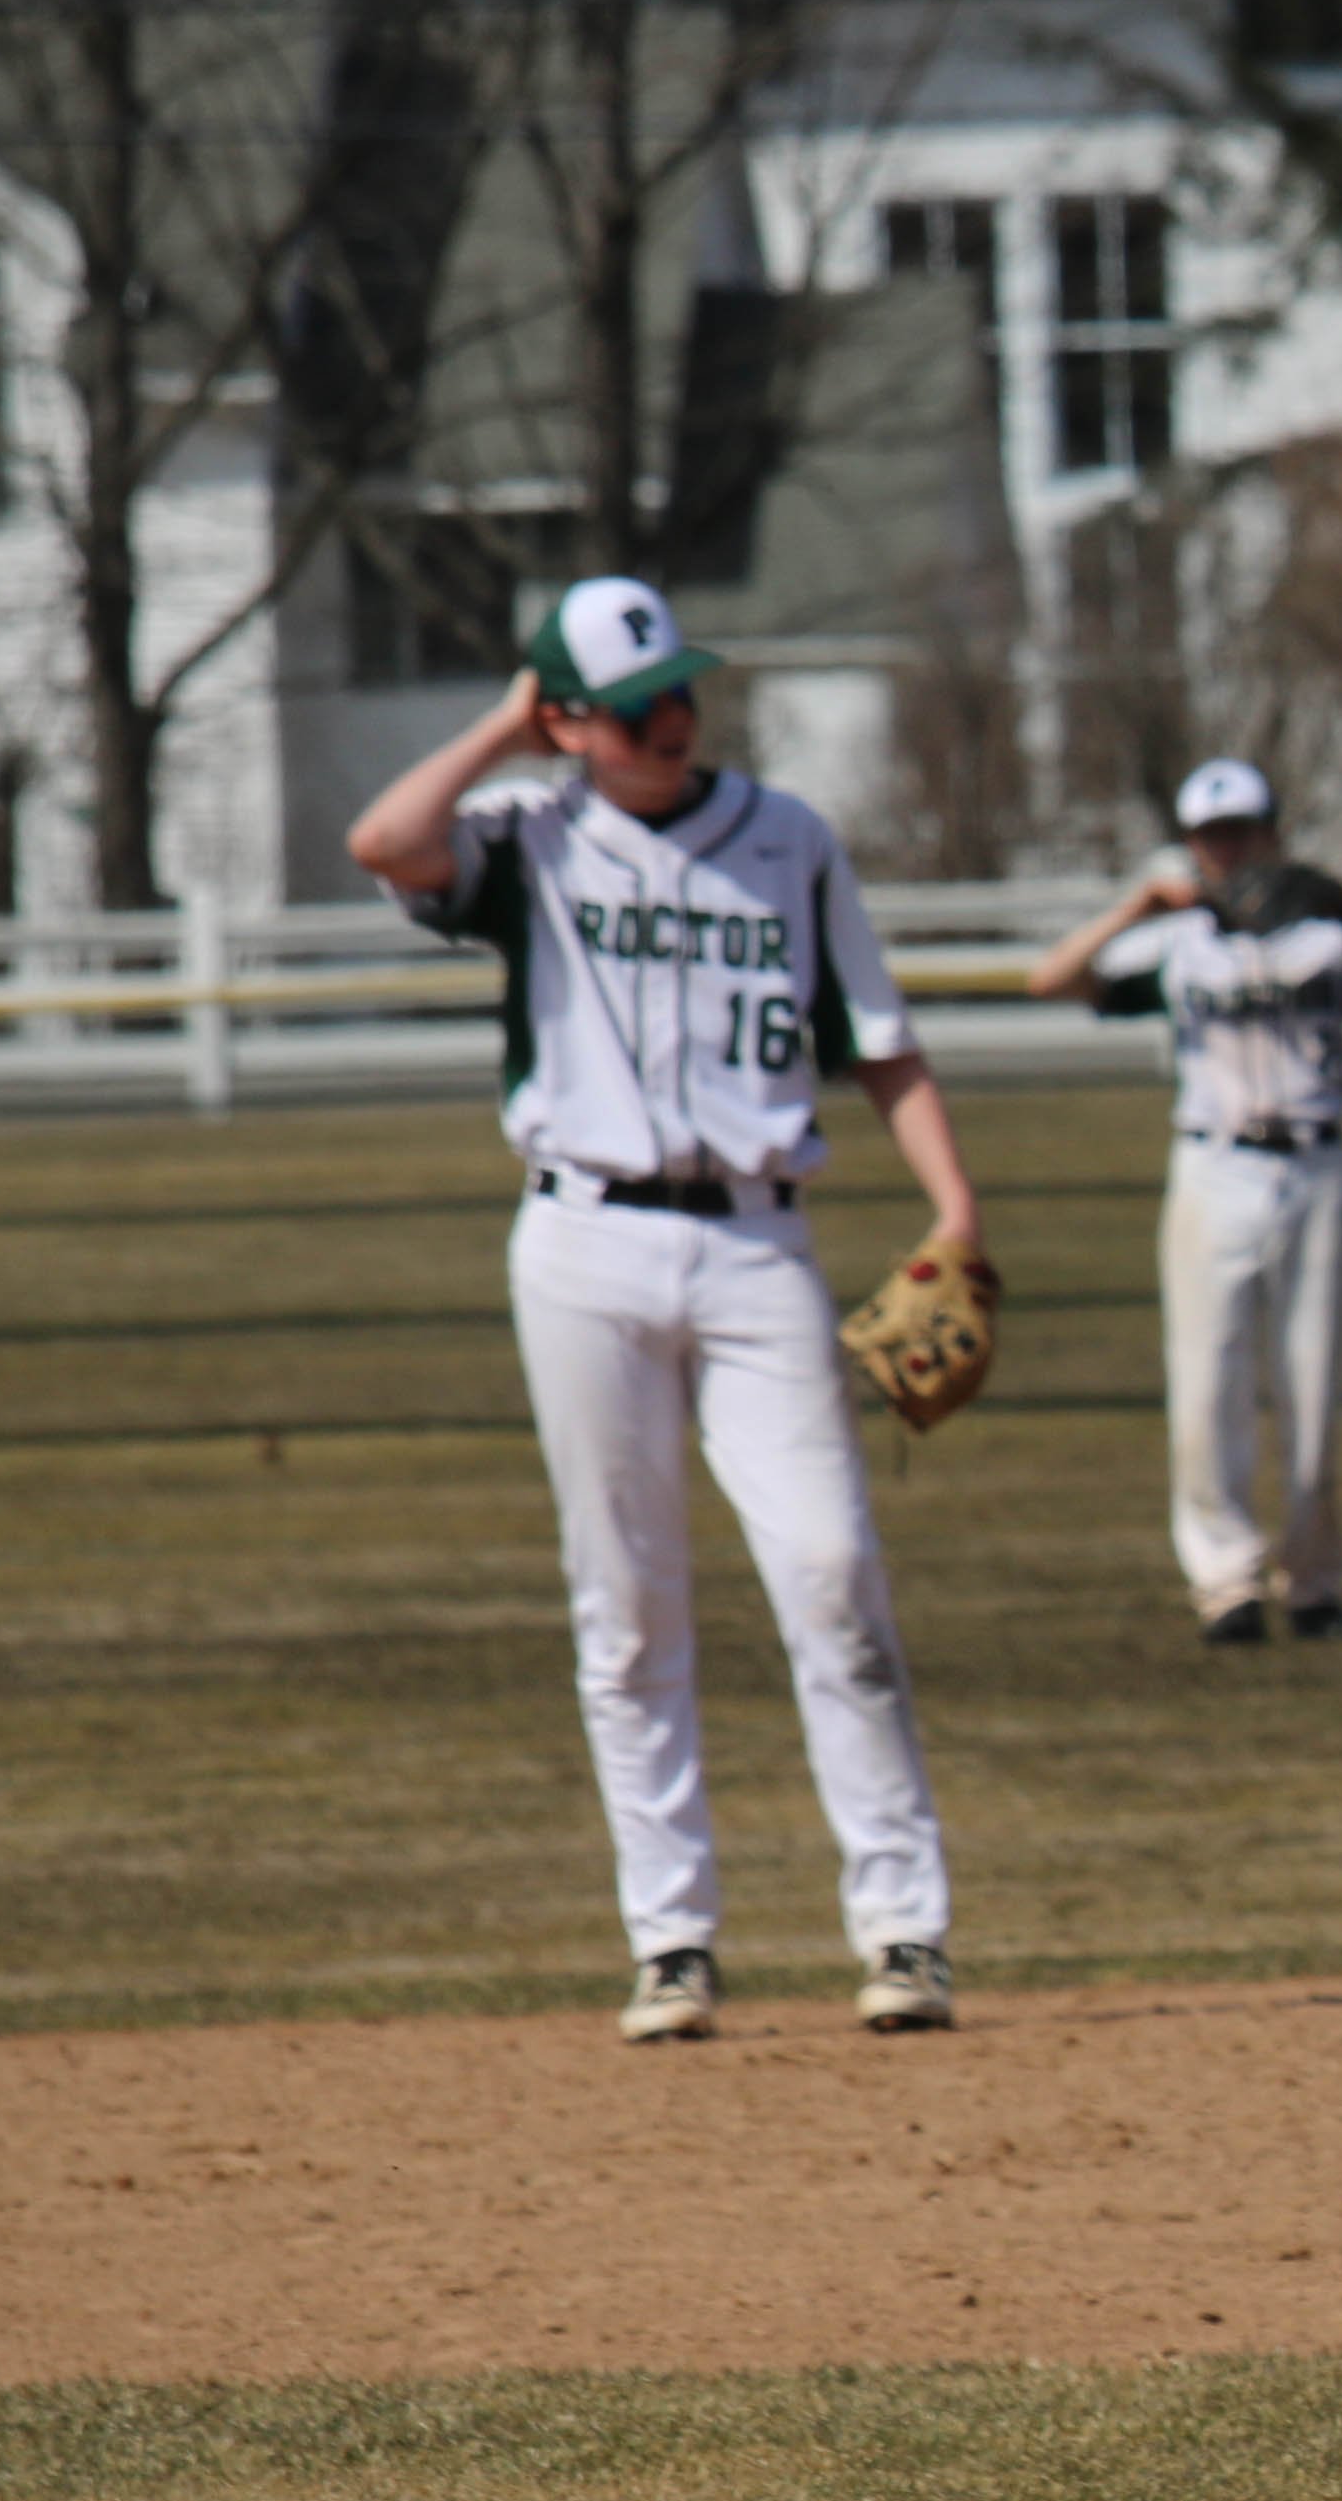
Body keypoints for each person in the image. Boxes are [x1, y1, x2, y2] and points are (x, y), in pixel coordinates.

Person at [344, 574, 985, 2043]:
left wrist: (955, 1209)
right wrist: (514, 722)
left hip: (760, 1248)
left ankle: (903, 1930)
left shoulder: (789, 841)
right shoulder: (527, 840)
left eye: (681, 691)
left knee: (832, 1573)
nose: (674, 717)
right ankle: (671, 1940)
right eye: (636, 704)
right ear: (569, 723)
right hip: (584, 1246)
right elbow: (383, 842)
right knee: (627, 1607)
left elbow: (878, 1044)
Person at [1027, 759, 1342, 1645]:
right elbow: (1054, 981)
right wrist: (1141, 908)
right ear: (1193, 845)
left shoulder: (1324, 939)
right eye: (1212, 838)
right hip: (1213, 1170)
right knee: (1209, 1381)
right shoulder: (1179, 947)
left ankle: (1314, 1584)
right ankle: (1226, 1583)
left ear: (1270, 833)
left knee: (1312, 1386)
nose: (1229, 851)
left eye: (1242, 833)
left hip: (1315, 1168)